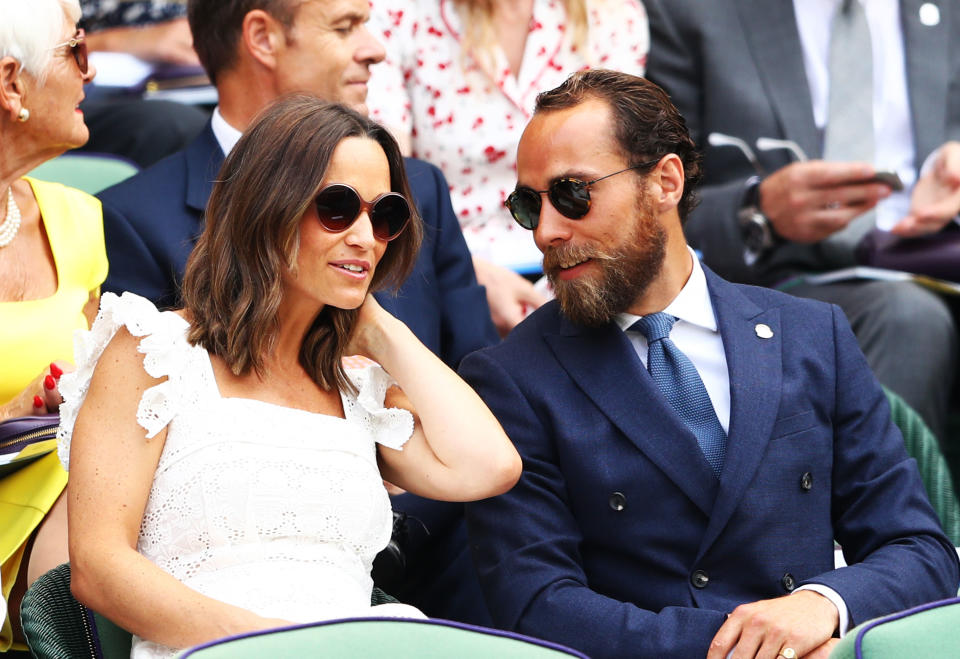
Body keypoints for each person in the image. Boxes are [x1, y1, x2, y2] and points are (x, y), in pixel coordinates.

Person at [461, 70, 960, 659]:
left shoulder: (811, 334)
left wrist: (822, 604)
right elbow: (536, 604)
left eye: (574, 194)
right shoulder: (510, 378)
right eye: (528, 205)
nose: (546, 231)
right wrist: (759, 647)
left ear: (665, 182)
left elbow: (920, 549)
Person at [60, 96, 521, 659]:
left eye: (385, 216)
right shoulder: (152, 349)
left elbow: (491, 468)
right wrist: (274, 644)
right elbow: (98, 566)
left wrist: (379, 330)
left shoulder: (357, 387)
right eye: (337, 208)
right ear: (267, 207)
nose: (365, 236)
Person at [643, 0, 959, 454]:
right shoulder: (692, 12)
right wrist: (757, 211)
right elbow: (648, 199)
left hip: (935, 257)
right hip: (777, 277)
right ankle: (889, 523)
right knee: (907, 319)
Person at [366, 0, 649, 334]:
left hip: (579, 258)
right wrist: (467, 276)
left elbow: (621, 168)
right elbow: (387, 180)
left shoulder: (610, 13)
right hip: (443, 271)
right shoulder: (398, 13)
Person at [0, 0, 105, 650]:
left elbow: (94, 376)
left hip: (71, 505)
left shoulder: (79, 219)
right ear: (12, 84)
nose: (90, 73)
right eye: (77, 50)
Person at [76, 0, 210, 168]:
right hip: (88, 89)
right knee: (176, 125)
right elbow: (39, 52)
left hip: (193, 80)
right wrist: (116, 41)